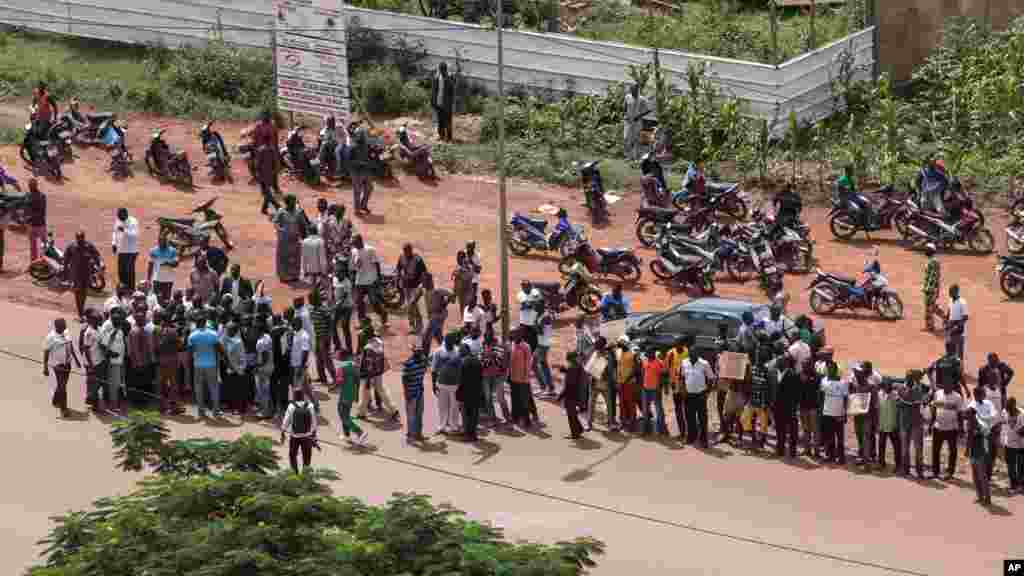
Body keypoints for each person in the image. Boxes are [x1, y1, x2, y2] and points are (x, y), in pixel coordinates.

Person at [978, 353, 1011, 480]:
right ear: (989, 378)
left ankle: (988, 473)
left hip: (996, 427)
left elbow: (1001, 408)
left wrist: (1001, 421)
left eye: (998, 377)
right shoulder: (983, 391)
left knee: (993, 451)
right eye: (995, 377)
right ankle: (983, 473)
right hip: (985, 426)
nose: (997, 379)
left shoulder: (1000, 391)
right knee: (985, 451)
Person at [356, 324, 398, 421]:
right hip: (379, 371)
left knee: (364, 393)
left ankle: (361, 413)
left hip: (369, 375)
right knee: (382, 391)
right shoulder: (379, 342)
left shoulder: (368, 348)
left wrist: (367, 380)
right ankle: (393, 410)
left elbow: (368, 365)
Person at [187, 312, 223, 418]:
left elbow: (190, 351)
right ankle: (216, 411)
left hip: (197, 365)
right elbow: (219, 348)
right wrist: (226, 360)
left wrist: (190, 363)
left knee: (198, 388)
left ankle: (201, 411)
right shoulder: (213, 334)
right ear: (205, 323)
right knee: (214, 387)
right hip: (211, 364)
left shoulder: (192, 335)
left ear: (197, 324)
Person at [43, 318, 80, 418]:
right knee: (63, 386)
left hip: (67, 364)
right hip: (57, 365)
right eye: (62, 326)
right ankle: (64, 409)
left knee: (62, 385)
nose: (65, 327)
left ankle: (55, 400)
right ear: (57, 326)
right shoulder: (50, 337)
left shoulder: (66, 332)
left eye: (65, 325)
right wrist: (45, 367)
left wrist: (76, 360)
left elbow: (70, 346)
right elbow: (46, 352)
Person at [683, 340, 716, 448]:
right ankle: (691, 437)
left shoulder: (704, 363)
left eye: (695, 353)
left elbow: (711, 378)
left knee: (702, 418)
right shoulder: (684, 363)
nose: (693, 355)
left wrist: (707, 392)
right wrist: (684, 390)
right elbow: (682, 377)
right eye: (691, 353)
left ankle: (703, 439)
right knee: (689, 417)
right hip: (688, 395)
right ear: (689, 353)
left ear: (698, 353)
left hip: (700, 395)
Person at [931, 377, 965, 480]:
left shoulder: (957, 397)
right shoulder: (937, 394)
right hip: (938, 427)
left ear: (952, 385)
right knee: (935, 450)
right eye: (944, 384)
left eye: (948, 384)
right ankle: (935, 472)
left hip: (952, 428)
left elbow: (960, 413)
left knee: (952, 451)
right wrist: (931, 423)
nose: (946, 386)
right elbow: (934, 408)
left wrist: (961, 428)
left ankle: (950, 472)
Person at [351, 234, 388, 327]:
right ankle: (362, 322)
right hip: (359, 280)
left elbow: (376, 263)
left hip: (371, 280)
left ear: (360, 241)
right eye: (353, 243)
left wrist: (379, 277)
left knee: (374, 302)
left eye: (355, 242)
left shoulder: (370, 250)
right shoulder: (354, 251)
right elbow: (355, 266)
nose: (354, 244)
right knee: (359, 302)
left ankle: (383, 314)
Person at [898, 369, 929, 478]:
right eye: (909, 377)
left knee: (918, 448)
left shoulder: (917, 388)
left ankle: (919, 471)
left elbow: (912, 400)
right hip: (906, 422)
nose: (911, 379)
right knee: (905, 448)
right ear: (907, 378)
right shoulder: (904, 389)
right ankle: (906, 470)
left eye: (912, 377)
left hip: (916, 422)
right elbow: (910, 399)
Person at [966, 390, 995, 506]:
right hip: (973, 451)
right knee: (975, 475)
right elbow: (969, 437)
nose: (967, 417)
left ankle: (987, 497)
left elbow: (984, 436)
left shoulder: (980, 425)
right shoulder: (970, 424)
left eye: (968, 415)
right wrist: (968, 450)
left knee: (982, 475)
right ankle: (980, 496)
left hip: (981, 451)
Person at [250, 110, 281, 215]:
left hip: (266, 160)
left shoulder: (272, 126)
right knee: (267, 189)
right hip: (265, 160)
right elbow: (254, 141)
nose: (266, 118)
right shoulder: (259, 126)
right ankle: (274, 205)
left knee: (267, 189)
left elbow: (275, 139)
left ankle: (273, 202)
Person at [335, 347, 368, 446]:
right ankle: (347, 435)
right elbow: (357, 380)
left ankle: (360, 432)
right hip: (351, 393)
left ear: (341, 357)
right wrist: (356, 394)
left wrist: (333, 386)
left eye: (337, 355)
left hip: (344, 394)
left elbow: (339, 381)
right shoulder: (353, 365)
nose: (336, 356)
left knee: (343, 415)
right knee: (346, 415)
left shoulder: (341, 367)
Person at [280, 388, 318, 473]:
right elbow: (314, 421)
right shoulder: (310, 405)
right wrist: (314, 434)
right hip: (307, 436)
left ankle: (295, 473)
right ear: (303, 396)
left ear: (294, 396)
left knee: (292, 455)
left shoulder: (291, 406)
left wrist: (283, 431)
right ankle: (305, 473)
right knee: (307, 456)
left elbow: (286, 420)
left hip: (294, 436)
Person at [64, 231, 99, 320]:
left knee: (84, 292)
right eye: (78, 238)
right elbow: (66, 259)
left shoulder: (89, 246)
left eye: (81, 238)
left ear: (84, 238)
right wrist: (65, 271)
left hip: (86, 273)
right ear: (76, 238)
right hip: (76, 274)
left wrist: (97, 265)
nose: (80, 240)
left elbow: (96, 255)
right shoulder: (71, 246)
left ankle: (81, 309)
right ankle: (80, 312)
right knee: (77, 292)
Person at [432, 332, 463, 434]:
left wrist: (461, 383)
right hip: (441, 383)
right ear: (445, 341)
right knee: (442, 406)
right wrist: (433, 384)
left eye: (452, 341)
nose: (451, 343)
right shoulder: (438, 351)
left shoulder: (458, 351)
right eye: (449, 341)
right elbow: (434, 369)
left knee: (454, 406)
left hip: (455, 384)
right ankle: (442, 426)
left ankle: (454, 426)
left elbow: (461, 369)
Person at [850, 361, 879, 465]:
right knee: (859, 436)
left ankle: (867, 460)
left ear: (863, 374)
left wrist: (876, 421)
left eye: (858, 373)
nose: (856, 375)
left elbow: (876, 405)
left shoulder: (871, 387)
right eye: (856, 373)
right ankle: (863, 456)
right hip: (858, 415)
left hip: (868, 417)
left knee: (866, 437)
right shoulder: (855, 386)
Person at [820, 361, 848, 465]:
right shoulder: (823, 381)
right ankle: (830, 456)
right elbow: (822, 397)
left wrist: (844, 413)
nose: (829, 370)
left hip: (839, 413)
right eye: (828, 368)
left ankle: (841, 457)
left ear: (836, 370)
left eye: (831, 368)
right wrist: (822, 411)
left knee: (840, 437)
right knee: (829, 436)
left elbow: (845, 399)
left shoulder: (843, 382)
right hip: (827, 413)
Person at [272, 195, 305, 283]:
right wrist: (280, 229)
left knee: (295, 257)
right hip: (284, 239)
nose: (294, 203)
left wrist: (303, 235)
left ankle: (294, 275)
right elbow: (275, 222)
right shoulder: (281, 211)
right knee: (283, 258)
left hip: (295, 238)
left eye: (295, 201)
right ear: (287, 202)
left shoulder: (298, 212)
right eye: (292, 201)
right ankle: (284, 276)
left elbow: (302, 224)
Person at [480, 330, 510, 424]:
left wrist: (490, 358)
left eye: (490, 345)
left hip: (497, 377)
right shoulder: (481, 352)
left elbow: (500, 364)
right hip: (486, 377)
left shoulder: (499, 351)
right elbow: (483, 364)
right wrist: (489, 359)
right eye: (486, 345)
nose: (488, 347)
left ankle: (507, 418)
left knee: (500, 398)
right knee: (488, 398)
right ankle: (492, 418)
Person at [308, 290, 336, 388]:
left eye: (310, 299)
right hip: (317, 336)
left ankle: (335, 379)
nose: (309, 301)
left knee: (326, 359)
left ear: (315, 299)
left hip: (323, 337)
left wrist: (328, 336)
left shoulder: (323, 309)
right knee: (319, 358)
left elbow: (331, 322)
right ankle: (322, 377)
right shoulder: (312, 309)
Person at [401, 344, 428, 443]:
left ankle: (418, 434)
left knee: (419, 414)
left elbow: (423, 371)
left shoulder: (423, 361)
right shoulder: (408, 364)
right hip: (411, 393)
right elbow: (404, 379)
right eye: (417, 351)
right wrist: (406, 393)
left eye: (420, 351)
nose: (419, 353)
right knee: (411, 415)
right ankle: (410, 436)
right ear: (413, 352)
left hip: (419, 392)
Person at [508, 329, 533, 429]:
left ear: (520, 334)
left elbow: (528, 363)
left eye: (515, 333)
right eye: (513, 333)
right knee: (515, 399)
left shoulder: (526, 346)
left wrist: (525, 377)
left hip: (523, 378)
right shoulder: (512, 344)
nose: (513, 335)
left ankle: (526, 420)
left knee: (524, 400)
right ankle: (515, 418)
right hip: (513, 377)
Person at [558, 351, 586, 439]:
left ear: (570, 359)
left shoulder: (572, 368)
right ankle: (579, 429)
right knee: (573, 414)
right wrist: (566, 371)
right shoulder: (577, 366)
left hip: (571, 395)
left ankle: (575, 434)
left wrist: (560, 396)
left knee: (571, 415)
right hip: (577, 394)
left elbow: (569, 385)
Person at [459, 343, 484, 442]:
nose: (460, 352)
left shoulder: (464, 362)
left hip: (466, 392)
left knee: (466, 414)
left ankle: (467, 434)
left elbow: (461, 379)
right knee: (474, 414)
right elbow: (481, 376)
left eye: (461, 350)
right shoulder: (477, 360)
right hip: (476, 391)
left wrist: (459, 393)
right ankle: (473, 434)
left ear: (465, 351)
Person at [876, 377, 902, 471]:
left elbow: (899, 411)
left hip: (893, 425)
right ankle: (881, 463)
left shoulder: (896, 396)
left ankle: (898, 465)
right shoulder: (879, 395)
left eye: (889, 385)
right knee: (881, 445)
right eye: (885, 385)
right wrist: (877, 424)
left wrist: (898, 424)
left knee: (896, 446)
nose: (887, 387)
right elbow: (877, 410)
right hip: (882, 425)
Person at [423, 273, 453, 351]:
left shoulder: (437, 291)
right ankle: (448, 351)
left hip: (437, 316)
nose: (423, 283)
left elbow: (452, 295)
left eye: (424, 281)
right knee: (438, 336)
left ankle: (425, 356)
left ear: (430, 281)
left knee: (426, 337)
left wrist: (444, 304)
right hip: (434, 316)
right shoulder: (426, 291)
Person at [640, 349, 667, 436]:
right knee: (645, 410)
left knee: (659, 410)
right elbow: (643, 373)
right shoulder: (645, 361)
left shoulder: (659, 362)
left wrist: (661, 387)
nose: (647, 355)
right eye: (647, 353)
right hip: (645, 389)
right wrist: (642, 385)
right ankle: (646, 430)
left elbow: (663, 376)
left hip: (655, 389)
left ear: (653, 353)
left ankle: (661, 430)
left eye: (649, 353)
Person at [112, 208, 139, 290]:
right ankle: (123, 290)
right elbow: (114, 232)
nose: (118, 218)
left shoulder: (133, 221)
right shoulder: (118, 220)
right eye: (118, 216)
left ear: (125, 214)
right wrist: (114, 243)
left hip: (131, 251)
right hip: (121, 250)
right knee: (121, 272)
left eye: (120, 216)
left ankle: (131, 289)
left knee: (129, 272)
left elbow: (135, 235)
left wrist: (124, 230)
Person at [667, 338, 688, 441]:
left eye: (679, 344)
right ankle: (682, 431)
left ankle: (688, 431)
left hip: (685, 384)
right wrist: (670, 384)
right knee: (678, 408)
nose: (676, 346)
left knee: (687, 408)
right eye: (675, 344)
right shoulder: (671, 353)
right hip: (675, 384)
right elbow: (668, 369)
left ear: (682, 344)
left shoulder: (687, 351)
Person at [349, 122, 373, 215]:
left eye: (364, 135)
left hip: (365, 170)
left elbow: (370, 156)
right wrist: (360, 163)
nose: (363, 136)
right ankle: (357, 209)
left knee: (369, 188)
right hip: (355, 171)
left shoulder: (366, 146)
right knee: (357, 191)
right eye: (361, 135)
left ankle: (363, 205)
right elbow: (349, 162)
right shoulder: (353, 147)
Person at [615, 336, 638, 432]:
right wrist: (618, 381)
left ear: (624, 343)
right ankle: (624, 423)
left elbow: (635, 369)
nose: (618, 345)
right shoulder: (619, 353)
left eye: (620, 343)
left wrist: (627, 379)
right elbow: (619, 367)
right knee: (622, 404)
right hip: (621, 383)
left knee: (630, 404)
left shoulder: (632, 353)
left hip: (629, 383)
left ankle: (632, 425)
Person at [147, 236, 178, 302]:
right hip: (157, 279)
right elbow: (150, 265)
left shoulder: (173, 251)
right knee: (156, 299)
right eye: (161, 241)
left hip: (168, 279)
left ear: (166, 241)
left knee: (167, 299)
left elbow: (176, 264)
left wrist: (168, 263)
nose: (163, 243)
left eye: (164, 241)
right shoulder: (153, 251)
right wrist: (148, 279)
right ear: (158, 242)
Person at [254, 319, 275, 419]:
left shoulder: (260, 342)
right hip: (270, 366)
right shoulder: (268, 337)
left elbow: (265, 356)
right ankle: (269, 410)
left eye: (255, 329)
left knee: (263, 391)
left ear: (259, 330)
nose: (253, 331)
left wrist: (257, 367)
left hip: (263, 368)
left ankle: (265, 412)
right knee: (267, 389)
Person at [81, 310, 101, 410]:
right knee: (93, 381)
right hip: (91, 362)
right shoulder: (88, 332)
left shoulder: (99, 329)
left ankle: (91, 398)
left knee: (94, 382)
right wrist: (91, 364)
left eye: (99, 319)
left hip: (98, 360)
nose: (98, 321)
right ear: (92, 321)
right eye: (96, 320)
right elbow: (86, 349)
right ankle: (94, 402)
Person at [431, 62, 455, 142]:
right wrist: (433, 103)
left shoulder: (449, 79)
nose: (442, 72)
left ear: (446, 70)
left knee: (447, 122)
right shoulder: (437, 78)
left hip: (447, 105)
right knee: (440, 122)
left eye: (443, 70)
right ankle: (441, 136)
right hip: (439, 104)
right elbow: (434, 91)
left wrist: (451, 104)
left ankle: (449, 138)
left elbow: (452, 92)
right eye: (441, 70)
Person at [1003, 397, 1024, 493]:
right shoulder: (1005, 412)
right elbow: (1004, 425)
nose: (1008, 411)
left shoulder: (1022, 414)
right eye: (1007, 409)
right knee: (1010, 466)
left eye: (1010, 408)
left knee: (1021, 466)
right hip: (1008, 443)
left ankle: (1021, 485)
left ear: (1014, 405)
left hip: (1020, 445)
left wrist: (1019, 432)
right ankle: (1013, 485)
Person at [946, 284, 968, 370]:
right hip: (951, 329)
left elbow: (965, 317)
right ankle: (952, 368)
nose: (949, 293)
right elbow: (949, 312)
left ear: (956, 291)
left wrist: (957, 326)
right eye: (949, 291)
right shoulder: (951, 300)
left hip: (959, 331)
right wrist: (946, 321)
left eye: (951, 291)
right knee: (951, 350)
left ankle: (960, 370)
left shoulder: (962, 302)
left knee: (959, 352)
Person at [922, 243, 943, 332]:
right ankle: (946, 318)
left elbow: (933, 276)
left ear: (931, 251)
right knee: (933, 306)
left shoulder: (932, 262)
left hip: (930, 288)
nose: (925, 251)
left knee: (928, 307)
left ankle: (930, 326)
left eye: (927, 249)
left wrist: (928, 288)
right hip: (932, 287)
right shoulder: (933, 261)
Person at [516, 280, 542, 350]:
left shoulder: (534, 291)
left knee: (535, 343)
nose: (527, 288)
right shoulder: (520, 294)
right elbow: (526, 305)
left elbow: (539, 300)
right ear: (522, 287)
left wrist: (531, 303)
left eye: (528, 286)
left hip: (534, 322)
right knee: (524, 342)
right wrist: (534, 303)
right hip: (524, 322)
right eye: (524, 286)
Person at [623, 84, 646, 161]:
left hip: (637, 122)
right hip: (628, 121)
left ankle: (636, 156)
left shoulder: (642, 99)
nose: (633, 92)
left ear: (638, 90)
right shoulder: (627, 97)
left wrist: (639, 116)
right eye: (632, 90)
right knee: (626, 138)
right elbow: (625, 107)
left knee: (636, 139)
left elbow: (647, 110)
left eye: (635, 91)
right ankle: (627, 156)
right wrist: (626, 116)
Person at [27, 179, 46, 263]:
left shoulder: (40, 196)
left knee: (42, 246)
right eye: (30, 185)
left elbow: (41, 211)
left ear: (35, 186)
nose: (30, 187)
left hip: (38, 224)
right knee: (35, 246)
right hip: (36, 224)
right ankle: (35, 263)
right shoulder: (31, 195)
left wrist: (29, 216)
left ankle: (42, 262)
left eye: (31, 185)